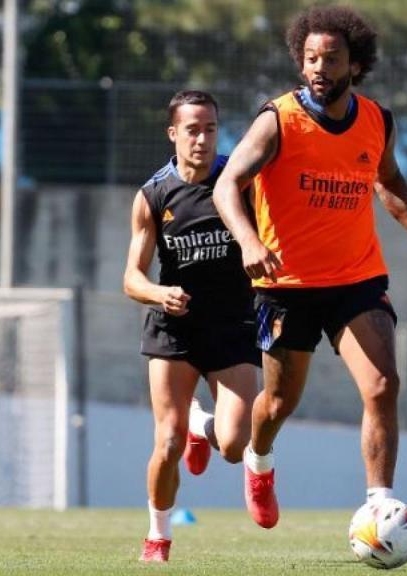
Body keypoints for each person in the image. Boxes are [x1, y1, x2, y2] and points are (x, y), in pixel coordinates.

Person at [214, 6, 407, 530]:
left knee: (383, 385)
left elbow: (388, 182)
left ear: (355, 65)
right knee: (278, 402)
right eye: (310, 58)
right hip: (285, 285)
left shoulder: (376, 121)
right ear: (300, 63)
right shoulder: (277, 120)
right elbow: (226, 184)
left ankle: (379, 506)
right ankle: (259, 462)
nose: (319, 67)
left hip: (357, 280)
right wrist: (249, 240)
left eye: (331, 58)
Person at [123, 90, 260, 562]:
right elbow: (131, 279)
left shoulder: (239, 182)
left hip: (232, 327)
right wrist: (160, 294)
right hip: (173, 329)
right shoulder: (153, 194)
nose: (202, 139)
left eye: (211, 128)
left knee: (235, 445)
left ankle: (204, 425)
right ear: (173, 134)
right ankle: (157, 537)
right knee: (166, 440)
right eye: (193, 129)